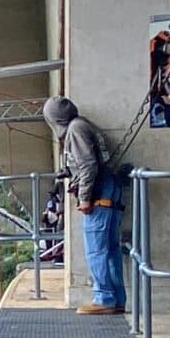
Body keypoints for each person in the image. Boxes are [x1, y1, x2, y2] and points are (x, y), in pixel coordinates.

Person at [44, 95, 125, 316]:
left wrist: (85, 197)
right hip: (109, 186)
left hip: (99, 192)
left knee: (96, 250)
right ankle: (117, 298)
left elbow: (89, 165)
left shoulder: (75, 130)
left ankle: (104, 298)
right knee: (110, 250)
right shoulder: (83, 124)